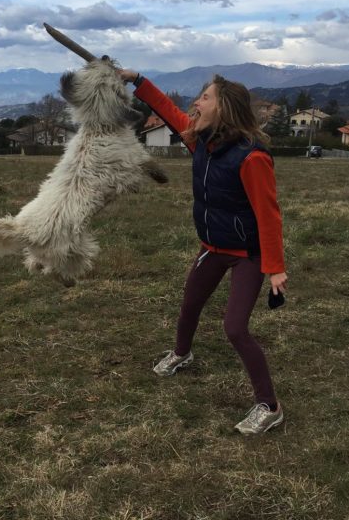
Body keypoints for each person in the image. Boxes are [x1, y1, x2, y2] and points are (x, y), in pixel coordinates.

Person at [119, 68, 288, 435]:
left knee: (235, 328)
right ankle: (182, 353)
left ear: (224, 108)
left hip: (247, 254)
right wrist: (137, 80)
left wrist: (275, 268)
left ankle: (270, 405)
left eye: (205, 97)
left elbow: (269, 216)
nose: (197, 102)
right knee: (190, 302)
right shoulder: (201, 141)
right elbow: (166, 109)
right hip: (212, 247)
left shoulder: (251, 158)